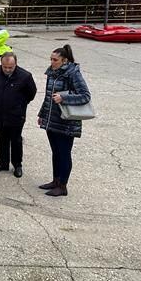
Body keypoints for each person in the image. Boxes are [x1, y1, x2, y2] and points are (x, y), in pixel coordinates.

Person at [36, 45, 92, 198]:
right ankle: (55, 181)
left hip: (67, 121)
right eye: (51, 59)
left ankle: (63, 186)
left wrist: (64, 98)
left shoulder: (73, 74)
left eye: (55, 60)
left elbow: (85, 96)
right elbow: (48, 96)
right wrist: (42, 114)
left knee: (64, 153)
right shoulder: (52, 73)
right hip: (52, 119)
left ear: (64, 60)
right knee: (56, 152)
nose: (52, 62)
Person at [0, 52, 37, 177]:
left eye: (11, 67)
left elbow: (31, 93)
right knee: (2, 137)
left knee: (16, 140)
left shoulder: (25, 76)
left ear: (15, 64)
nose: (7, 70)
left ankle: (17, 165)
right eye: (5, 67)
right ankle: (3, 163)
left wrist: (19, 104)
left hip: (16, 114)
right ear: (1, 64)